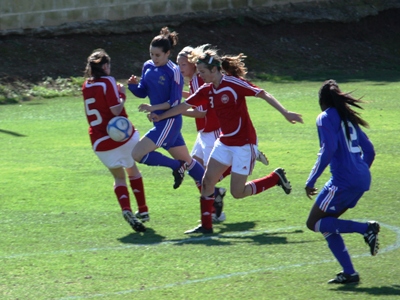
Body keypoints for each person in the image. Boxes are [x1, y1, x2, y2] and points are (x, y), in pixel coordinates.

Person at [150, 45, 303, 234]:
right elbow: (184, 106)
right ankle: (206, 227)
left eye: (203, 72)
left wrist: (285, 112)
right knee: (207, 182)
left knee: (237, 193)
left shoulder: (233, 84)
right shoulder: (207, 89)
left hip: (244, 144)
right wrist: (161, 115)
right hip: (224, 142)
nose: (201, 76)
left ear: (214, 70)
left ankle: (274, 178)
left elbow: (263, 93)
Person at [127, 28, 224, 222]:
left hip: (168, 122)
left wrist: (153, 108)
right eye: (151, 54)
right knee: (189, 163)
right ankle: (215, 194)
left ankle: (175, 166)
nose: (154, 58)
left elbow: (173, 103)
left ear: (167, 53)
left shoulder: (174, 72)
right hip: (160, 121)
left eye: (158, 55)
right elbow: (143, 90)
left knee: (137, 154)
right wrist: (132, 86)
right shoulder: (147, 66)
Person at [176, 45, 270, 222]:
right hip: (203, 132)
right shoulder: (195, 80)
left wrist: (175, 110)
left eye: (183, 64)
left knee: (211, 176)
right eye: (178, 64)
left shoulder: (200, 79)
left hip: (213, 131)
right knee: (196, 170)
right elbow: (194, 97)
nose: (180, 68)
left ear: (194, 65)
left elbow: (201, 110)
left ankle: (213, 212)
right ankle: (213, 204)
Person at [305, 79, 379, 284]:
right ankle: (350, 273)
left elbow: (326, 151)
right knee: (328, 225)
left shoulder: (324, 118)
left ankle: (366, 229)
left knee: (314, 223)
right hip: (361, 179)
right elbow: (370, 151)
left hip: (342, 181)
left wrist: (311, 179)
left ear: (322, 101)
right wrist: (360, 172)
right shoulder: (348, 118)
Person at [82, 48, 146, 232]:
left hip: (99, 141)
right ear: (104, 66)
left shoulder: (86, 85)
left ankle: (126, 209)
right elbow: (116, 110)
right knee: (132, 169)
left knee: (119, 177)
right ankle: (143, 210)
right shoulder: (108, 82)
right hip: (121, 137)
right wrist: (123, 93)